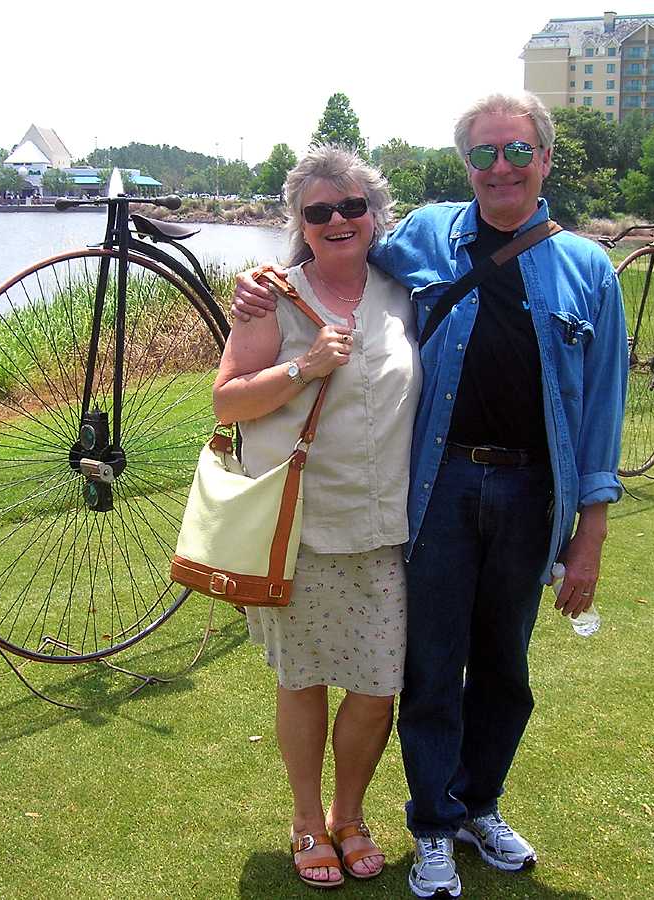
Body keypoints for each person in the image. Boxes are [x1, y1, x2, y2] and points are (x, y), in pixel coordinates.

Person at [232, 91, 628, 898]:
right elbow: (335, 252)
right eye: (483, 154)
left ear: (545, 158)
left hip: (531, 492)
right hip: (437, 487)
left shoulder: (589, 269)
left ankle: (479, 806)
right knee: (432, 666)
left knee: (505, 669)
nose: (501, 167)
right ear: (465, 165)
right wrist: (259, 281)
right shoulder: (427, 236)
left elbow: (602, 411)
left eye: (517, 151)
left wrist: (590, 535)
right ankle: (434, 825)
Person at [212, 145, 422, 890]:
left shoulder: (405, 291)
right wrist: (305, 367)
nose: (338, 220)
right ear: (299, 223)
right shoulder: (273, 297)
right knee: (302, 680)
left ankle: (349, 814)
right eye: (319, 211)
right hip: (298, 529)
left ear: (375, 215)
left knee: (376, 684)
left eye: (352, 206)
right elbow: (227, 401)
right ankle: (307, 820)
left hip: (385, 530)